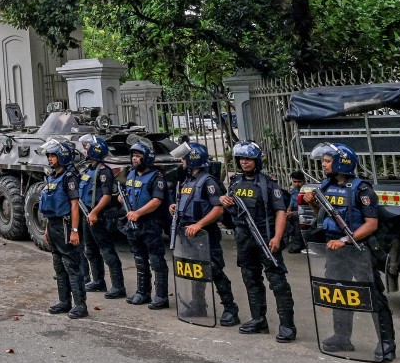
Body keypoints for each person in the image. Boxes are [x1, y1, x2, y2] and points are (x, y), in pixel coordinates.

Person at [308, 142, 395, 362]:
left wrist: (344, 239)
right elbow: (323, 217)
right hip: (334, 251)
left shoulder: (361, 189)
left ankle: (386, 342)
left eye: (327, 161)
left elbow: (371, 224)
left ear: (341, 163)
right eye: (324, 161)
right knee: (339, 293)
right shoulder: (326, 186)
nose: (324, 165)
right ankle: (341, 337)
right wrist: (312, 205)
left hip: (358, 250)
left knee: (373, 296)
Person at [219, 141, 296, 342]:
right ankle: (258, 319)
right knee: (250, 279)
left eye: (248, 159)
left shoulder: (268, 183)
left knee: (278, 282)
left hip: (266, 237)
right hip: (244, 239)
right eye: (241, 159)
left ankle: (287, 325)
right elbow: (231, 210)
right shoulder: (235, 182)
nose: (244, 162)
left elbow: (280, 211)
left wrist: (277, 237)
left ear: (256, 161)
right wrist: (225, 202)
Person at [172, 143, 239, 325]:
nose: (182, 161)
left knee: (215, 270)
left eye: (184, 158)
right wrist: (176, 208)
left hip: (205, 234)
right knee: (195, 270)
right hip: (189, 234)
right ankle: (198, 305)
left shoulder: (208, 181)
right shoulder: (187, 180)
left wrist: (199, 224)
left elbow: (218, 209)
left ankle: (230, 308)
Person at [39, 138, 87, 319]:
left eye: (53, 155)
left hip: (66, 225)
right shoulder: (51, 176)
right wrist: (46, 229)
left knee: (72, 266)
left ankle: (80, 305)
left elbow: (75, 206)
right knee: (59, 266)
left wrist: (74, 231)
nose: (50, 159)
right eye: (49, 156)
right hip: (53, 225)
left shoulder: (69, 177)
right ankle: (64, 301)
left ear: (62, 157)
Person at [121, 140, 170, 308]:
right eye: (133, 155)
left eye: (138, 156)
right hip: (133, 224)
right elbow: (127, 193)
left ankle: (161, 296)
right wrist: (122, 199)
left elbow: (157, 201)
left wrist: (138, 213)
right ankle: (143, 292)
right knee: (139, 259)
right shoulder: (130, 174)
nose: (135, 159)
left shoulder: (157, 177)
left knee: (156, 260)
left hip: (150, 223)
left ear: (147, 158)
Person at [76, 134, 126, 299]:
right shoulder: (88, 169)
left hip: (98, 216)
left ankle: (118, 286)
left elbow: (106, 196)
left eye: (87, 147)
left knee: (107, 251)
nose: (85, 150)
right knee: (89, 250)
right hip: (87, 215)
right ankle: (98, 281)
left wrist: (95, 212)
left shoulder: (104, 171)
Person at [285, 170, 307, 253]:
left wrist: (293, 213)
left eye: (299, 182)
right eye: (294, 182)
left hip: (304, 213)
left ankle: (298, 244)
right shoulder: (293, 191)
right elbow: (291, 203)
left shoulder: (306, 191)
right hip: (293, 211)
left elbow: (307, 208)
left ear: (304, 181)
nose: (297, 184)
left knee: (296, 219)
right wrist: (288, 211)